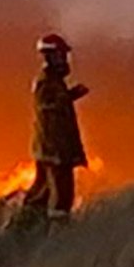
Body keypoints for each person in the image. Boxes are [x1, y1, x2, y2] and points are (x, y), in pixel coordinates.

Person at [21, 33, 89, 221]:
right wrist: (68, 96)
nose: (65, 60)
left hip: (53, 148)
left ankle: (27, 223)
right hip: (55, 150)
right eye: (60, 55)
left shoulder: (54, 82)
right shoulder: (45, 81)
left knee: (42, 191)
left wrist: (69, 96)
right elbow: (47, 106)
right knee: (62, 194)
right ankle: (52, 231)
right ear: (50, 57)